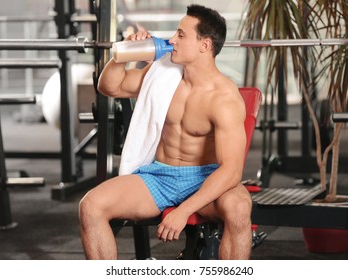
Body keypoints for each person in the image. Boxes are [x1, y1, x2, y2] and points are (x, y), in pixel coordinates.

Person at [79, 4, 252, 260]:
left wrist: (183, 211)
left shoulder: (224, 98)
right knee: (90, 206)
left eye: (181, 35)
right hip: (159, 176)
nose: (172, 40)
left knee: (239, 207)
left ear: (204, 45)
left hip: (205, 177)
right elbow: (109, 87)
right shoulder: (162, 73)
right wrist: (122, 54)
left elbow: (231, 171)